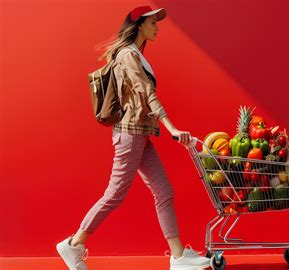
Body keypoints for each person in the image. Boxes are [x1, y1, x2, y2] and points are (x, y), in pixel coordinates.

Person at [56, 5, 210, 270]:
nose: (157, 27)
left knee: (164, 191)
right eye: (153, 23)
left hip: (141, 134)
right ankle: (73, 245)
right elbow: (146, 93)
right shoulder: (128, 55)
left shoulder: (136, 54)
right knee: (115, 194)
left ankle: (178, 257)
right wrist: (172, 128)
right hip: (129, 135)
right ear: (140, 25)